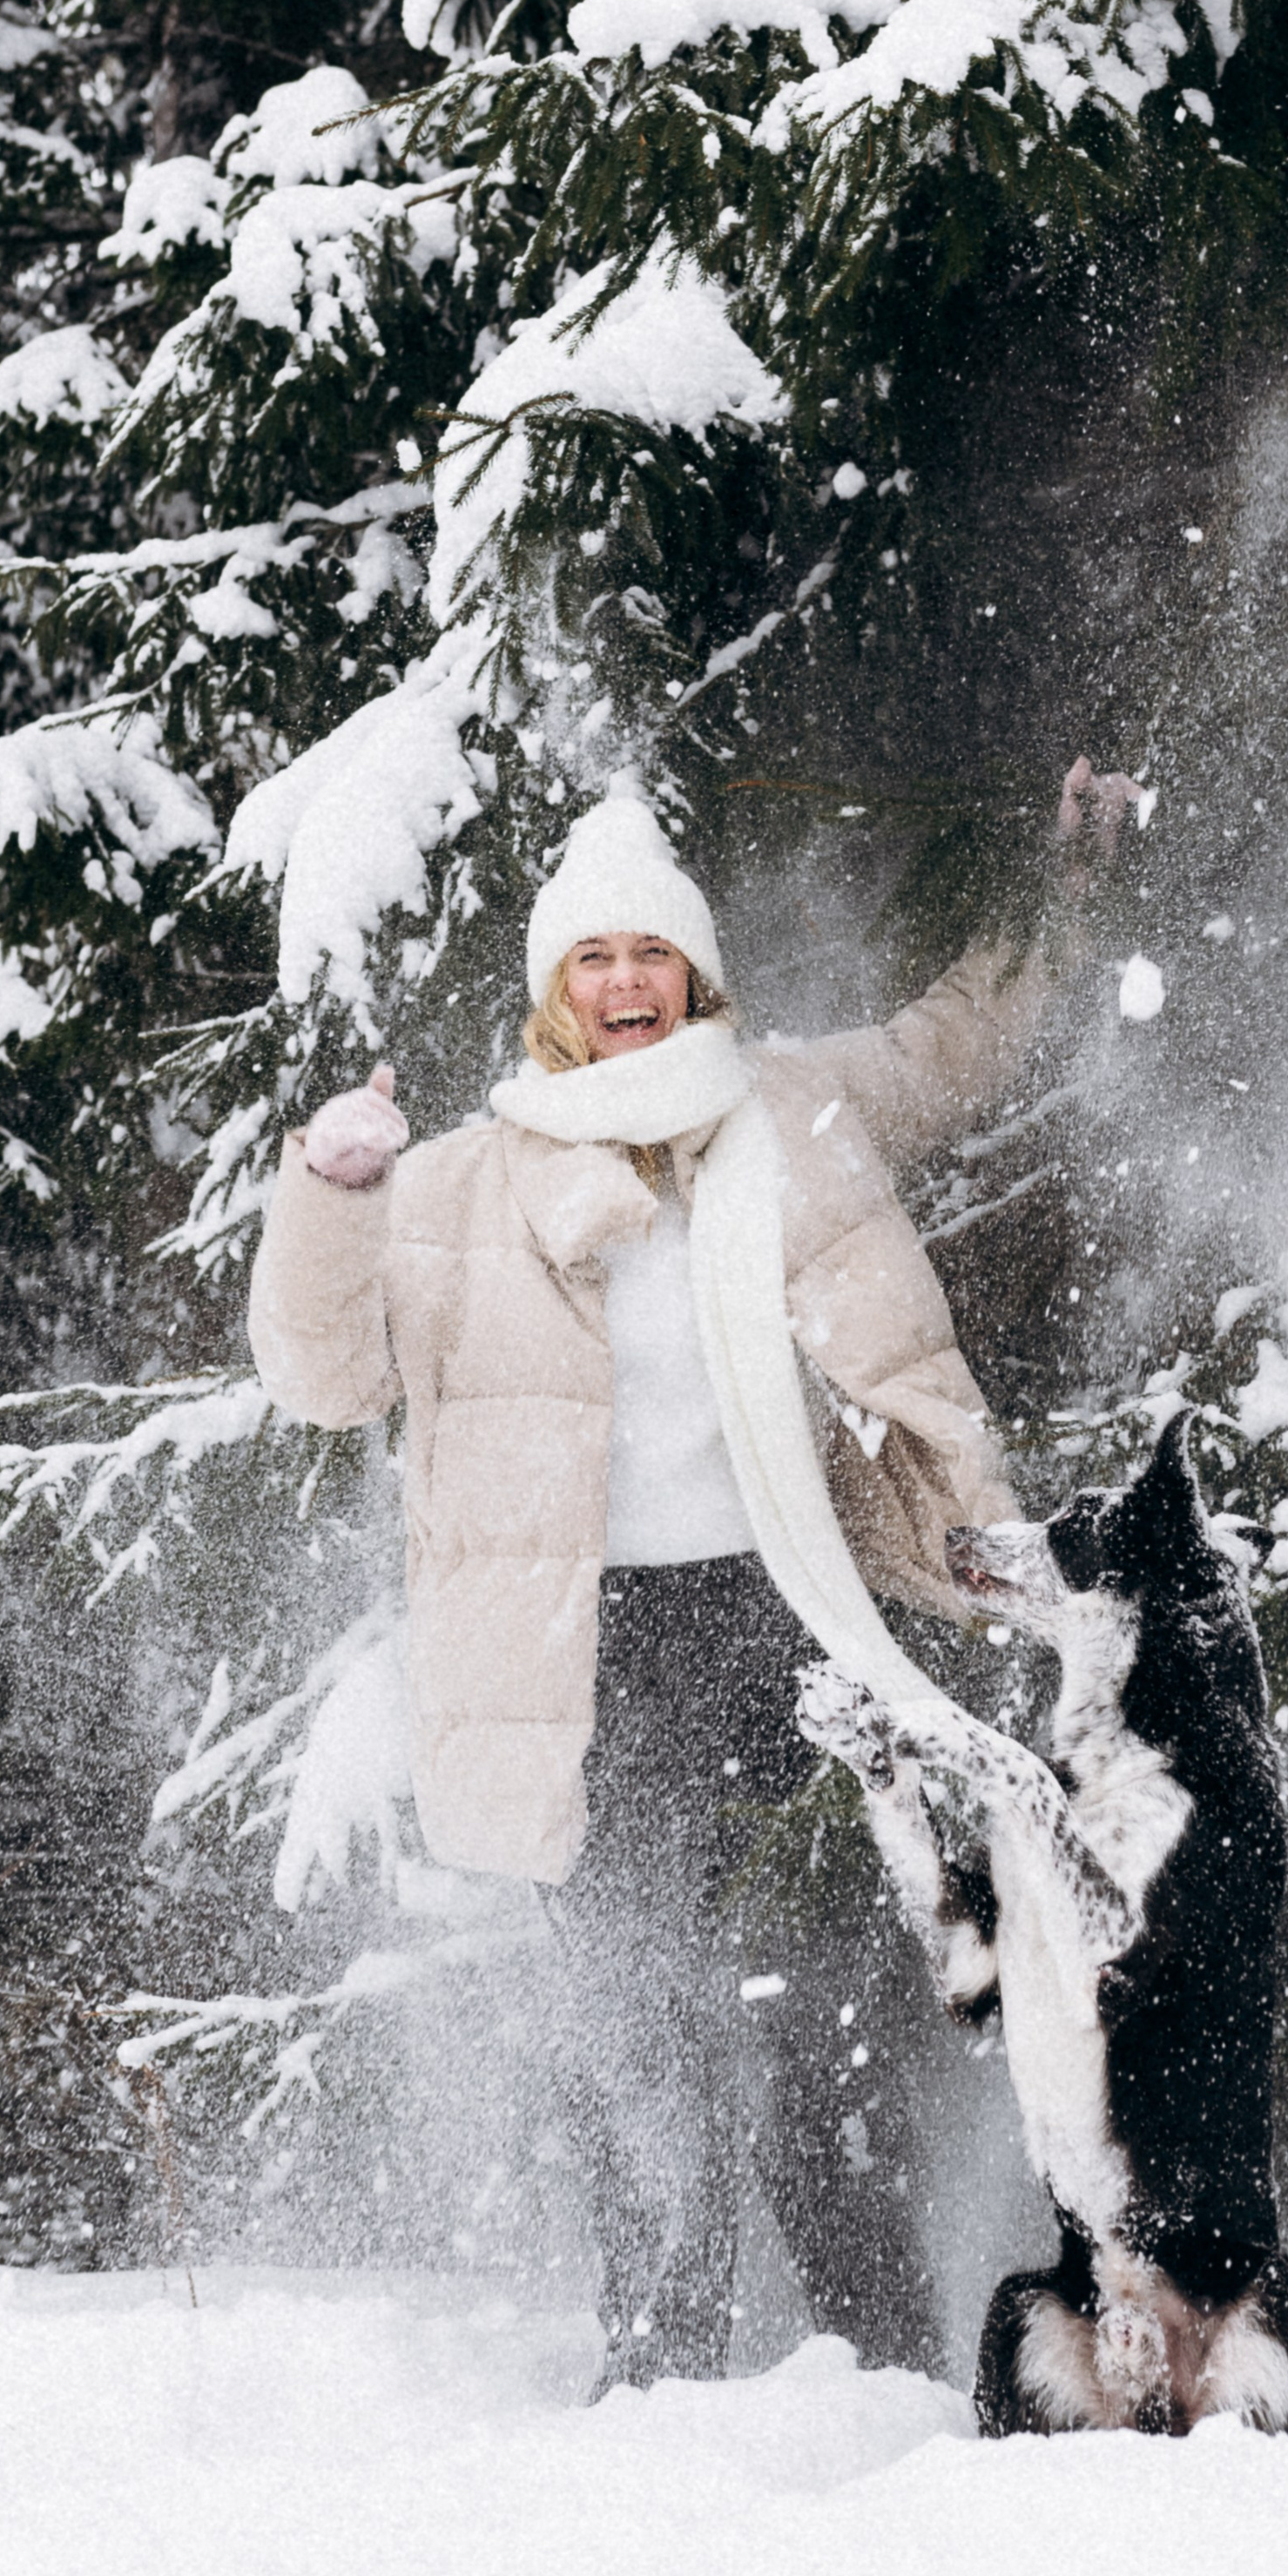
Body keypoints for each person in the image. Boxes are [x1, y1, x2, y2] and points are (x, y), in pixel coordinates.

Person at [246, 762, 1136, 2380]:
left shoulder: (793, 1111)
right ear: (553, 992)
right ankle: (661, 2370)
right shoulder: (459, 1185)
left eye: (651, 955)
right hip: (590, 1660)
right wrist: (331, 1191)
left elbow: (962, 1037)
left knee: (839, 2018)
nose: (626, 984)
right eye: (593, 960)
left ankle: (872, 2363)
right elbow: (318, 1375)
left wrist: (1066, 893)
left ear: (698, 974)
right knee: (636, 2026)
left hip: (795, 1627)